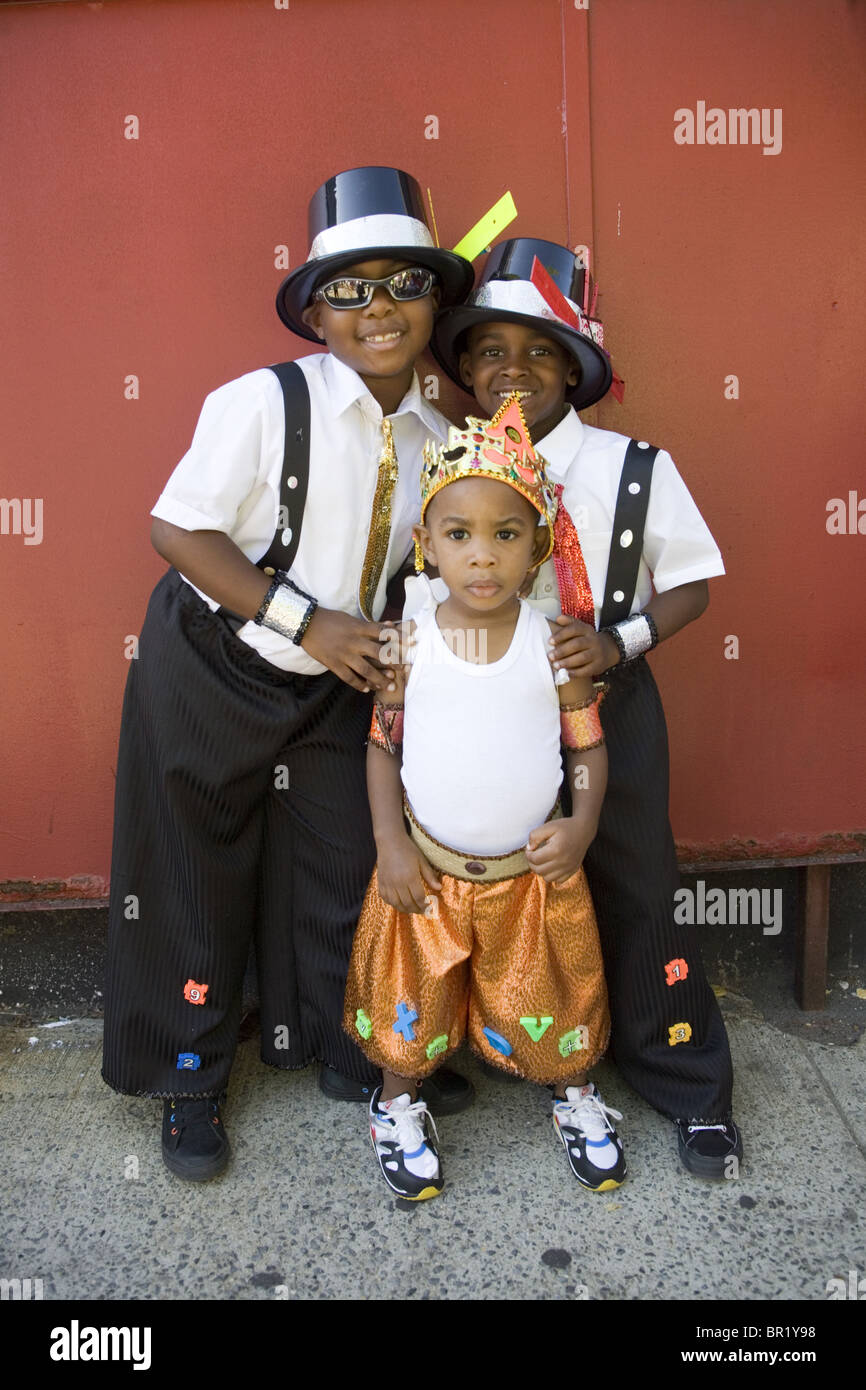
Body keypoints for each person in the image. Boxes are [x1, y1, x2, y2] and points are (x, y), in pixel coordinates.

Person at [101, 167, 477, 1181]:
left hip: (329, 683)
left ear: (435, 299)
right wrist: (306, 622)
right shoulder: (262, 403)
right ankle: (186, 1075)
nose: (377, 308)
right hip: (212, 661)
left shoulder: (443, 439)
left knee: (349, 858)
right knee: (188, 872)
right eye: (348, 289)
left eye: (401, 282)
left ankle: (343, 1043)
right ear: (315, 312)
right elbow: (175, 527)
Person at [429, 238, 743, 1178]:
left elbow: (692, 582)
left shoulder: (634, 466)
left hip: (607, 701)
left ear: (576, 366)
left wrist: (620, 641)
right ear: (466, 369)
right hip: (482, 716)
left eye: (537, 352)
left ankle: (687, 1083)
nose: (510, 370)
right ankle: (461, 1054)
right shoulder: (450, 461)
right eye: (488, 351)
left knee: (635, 882)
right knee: (482, 880)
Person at [343, 394, 627, 1200]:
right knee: (412, 1013)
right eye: (460, 535)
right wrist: (390, 844)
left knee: (552, 1001)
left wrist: (582, 826)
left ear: (537, 548)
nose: (483, 557)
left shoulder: (558, 647)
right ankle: (395, 1105)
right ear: (426, 545)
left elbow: (588, 749)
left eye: (506, 536)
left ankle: (572, 1095)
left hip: (530, 878)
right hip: (425, 876)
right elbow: (380, 746)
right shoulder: (408, 639)